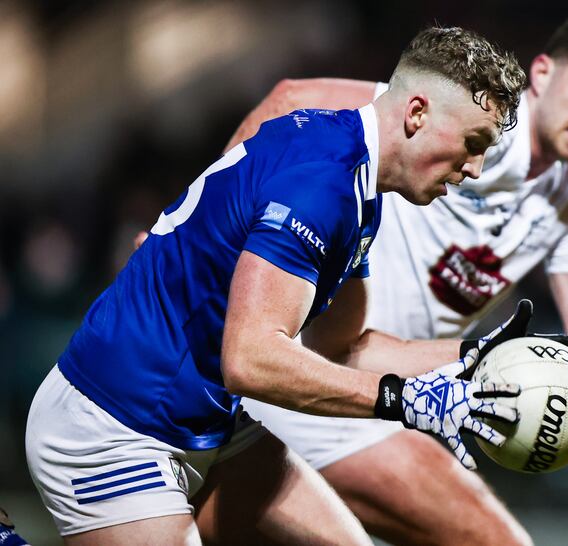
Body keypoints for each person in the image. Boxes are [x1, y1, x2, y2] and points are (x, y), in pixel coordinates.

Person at [214, 10, 568, 546]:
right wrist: (202, 221)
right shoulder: (478, 120)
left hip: (385, 381)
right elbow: (293, 97)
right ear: (544, 74)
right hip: (307, 365)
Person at [25, 27, 533, 545]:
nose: (476, 168)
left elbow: (341, 349)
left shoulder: (355, 175)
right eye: (474, 144)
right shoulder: (321, 185)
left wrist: (472, 358)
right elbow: (250, 359)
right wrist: (399, 400)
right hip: (115, 426)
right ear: (417, 113)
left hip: (206, 421)